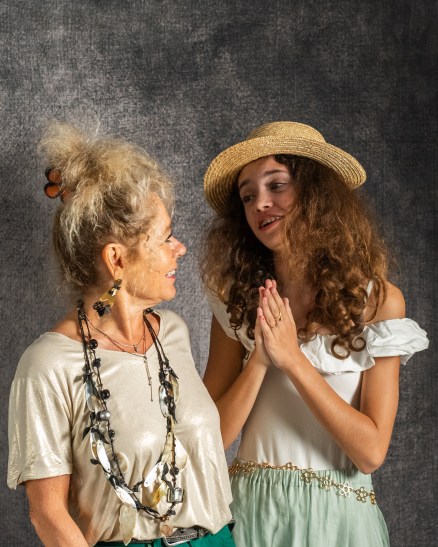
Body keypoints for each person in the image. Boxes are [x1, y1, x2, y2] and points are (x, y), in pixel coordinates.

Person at [200, 121, 429, 547]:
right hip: (251, 518)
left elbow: (370, 453)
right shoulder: (237, 303)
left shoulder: (379, 302)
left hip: (340, 525)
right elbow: (208, 442)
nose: (260, 203)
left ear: (316, 193)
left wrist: (292, 358)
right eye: (248, 196)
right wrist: (260, 359)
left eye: (277, 185)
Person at [8, 122, 235, 547]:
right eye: (165, 239)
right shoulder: (48, 366)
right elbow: (48, 515)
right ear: (117, 259)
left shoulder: (173, 333)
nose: (180, 249)